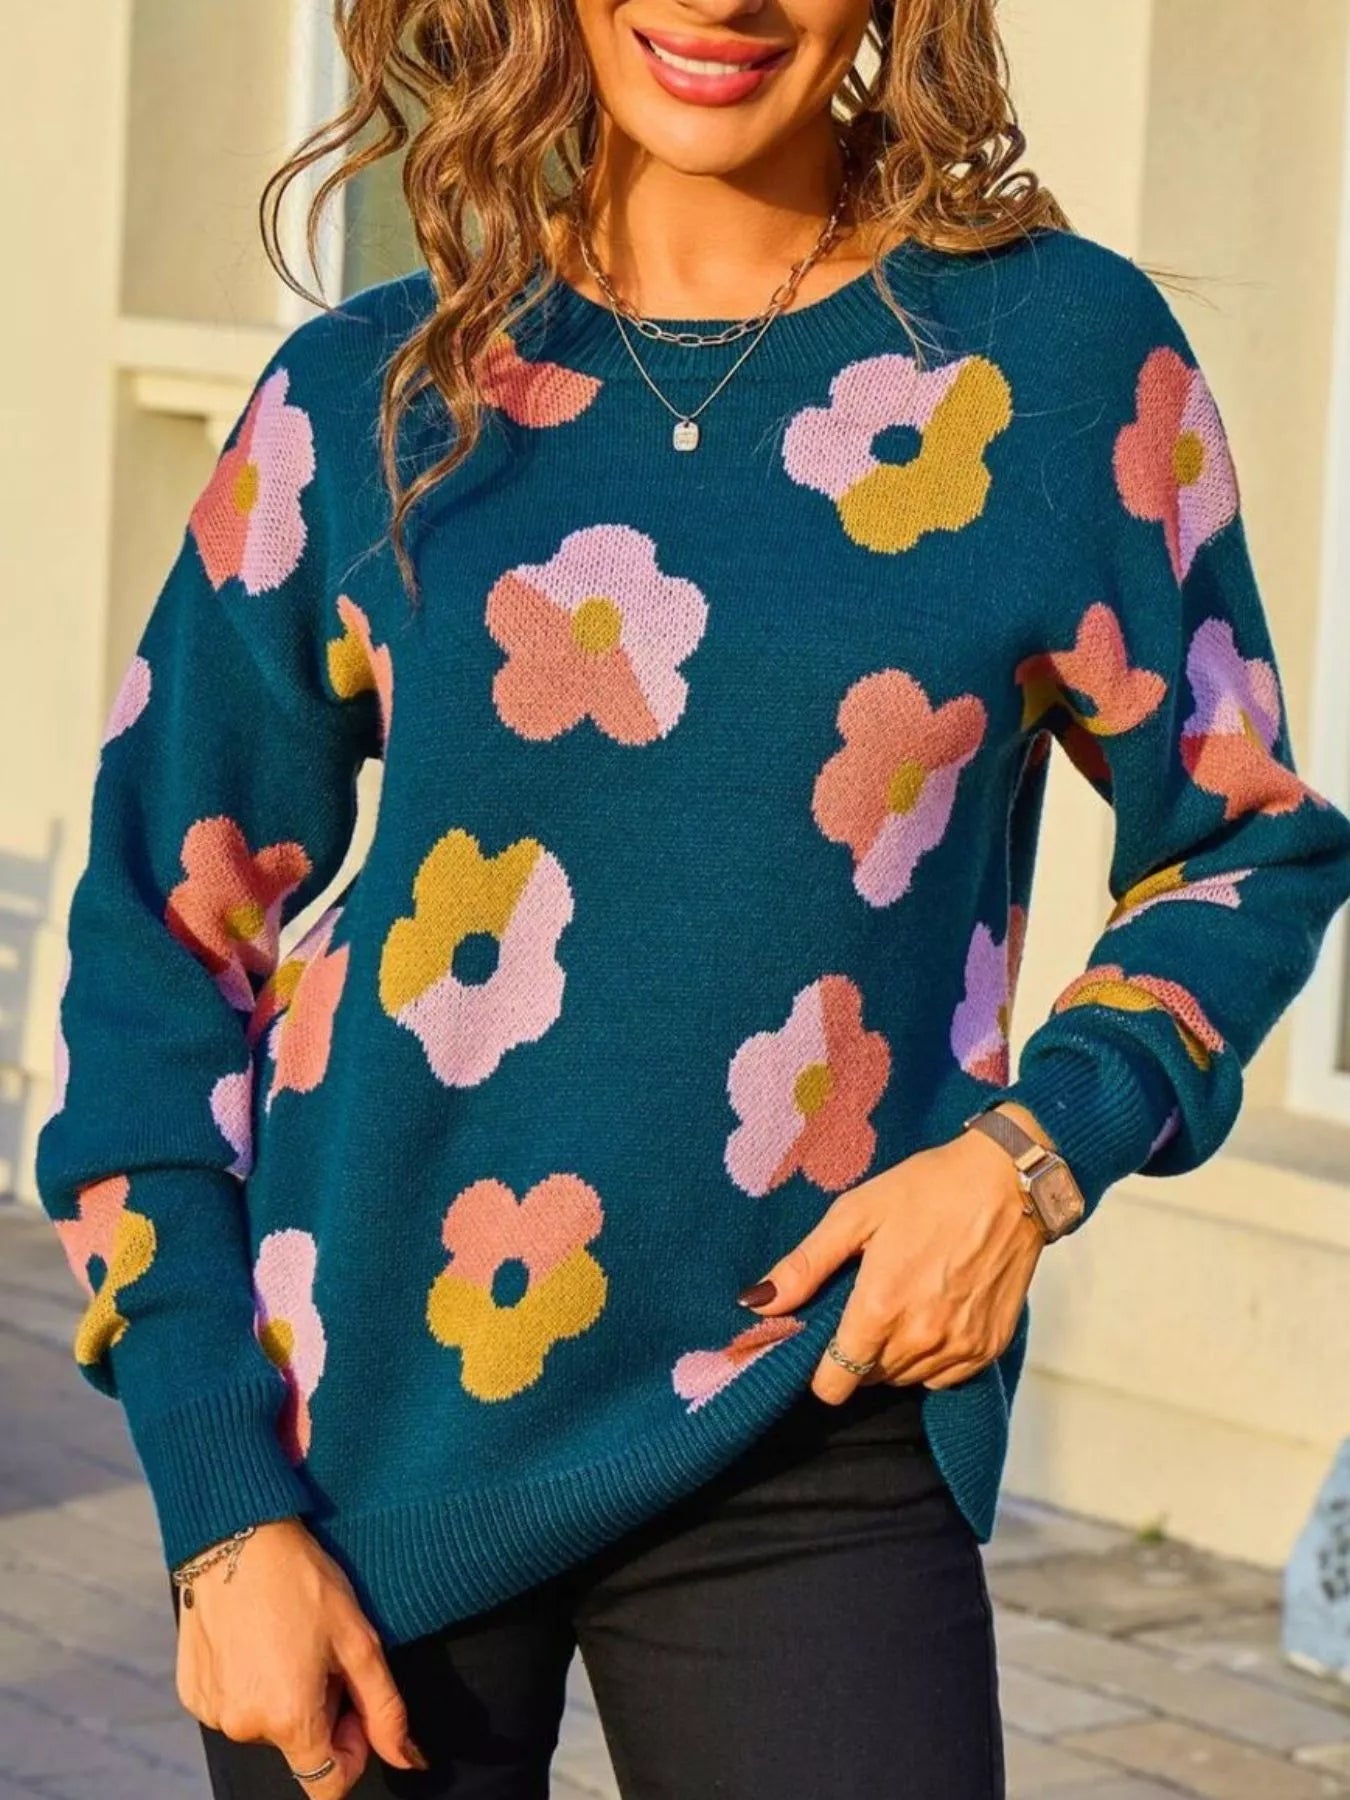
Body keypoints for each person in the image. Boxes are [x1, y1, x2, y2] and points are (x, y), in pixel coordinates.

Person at [35, 0, 1350, 1793]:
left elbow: (1242, 842)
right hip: (351, 1450)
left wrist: (1027, 1161)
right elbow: (158, 943)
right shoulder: (366, 394)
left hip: (810, 1408)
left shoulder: (1053, 360)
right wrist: (215, 1509)